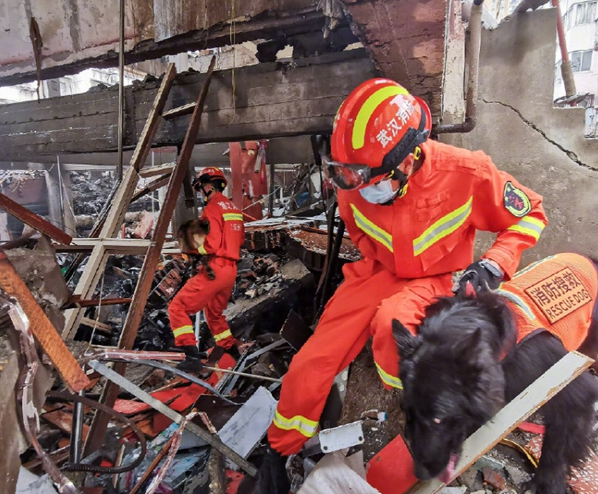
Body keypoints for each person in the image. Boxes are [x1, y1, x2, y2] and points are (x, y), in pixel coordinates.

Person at [267, 78, 548, 457]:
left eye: (366, 178)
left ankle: (411, 407)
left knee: (390, 327)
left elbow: (530, 213)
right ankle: (281, 446)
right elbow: (362, 234)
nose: (355, 186)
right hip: (375, 272)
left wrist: (494, 265)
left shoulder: (468, 173)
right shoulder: (354, 182)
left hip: (436, 277)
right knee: (311, 362)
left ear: (407, 159)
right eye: (345, 173)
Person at [168, 167, 245, 372]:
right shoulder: (233, 209)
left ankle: (191, 356)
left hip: (217, 267)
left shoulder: (212, 207)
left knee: (177, 307)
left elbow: (211, 244)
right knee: (214, 314)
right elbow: (240, 240)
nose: (202, 193)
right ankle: (235, 353)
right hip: (230, 270)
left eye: (201, 188)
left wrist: (194, 250)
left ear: (208, 186)